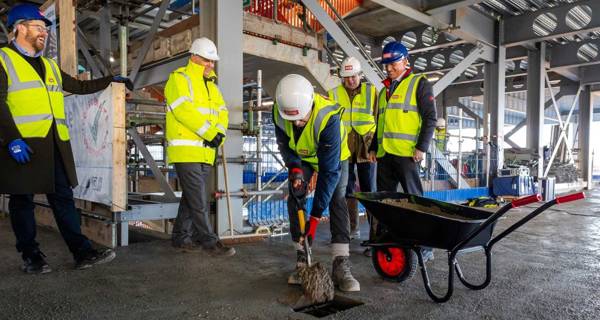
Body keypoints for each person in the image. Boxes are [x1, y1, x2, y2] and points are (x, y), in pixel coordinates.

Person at [0, 4, 133, 273]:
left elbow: (79, 86)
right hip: (22, 144)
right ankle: (32, 256)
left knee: (62, 198)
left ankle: (82, 252)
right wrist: (12, 139)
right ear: (19, 28)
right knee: (22, 200)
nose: (43, 33)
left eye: (44, 29)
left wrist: (110, 80)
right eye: (38, 27)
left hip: (54, 144)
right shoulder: (2, 59)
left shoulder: (49, 65)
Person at [273, 74, 360, 292]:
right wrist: (294, 167)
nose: (296, 123)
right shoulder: (280, 110)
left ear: (310, 103)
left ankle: (341, 264)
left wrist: (314, 218)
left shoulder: (328, 117)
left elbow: (329, 173)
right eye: (292, 119)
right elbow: (284, 144)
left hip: (335, 159)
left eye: (301, 119)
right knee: (295, 195)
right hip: (303, 157)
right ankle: (302, 258)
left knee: (337, 199)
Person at [164, 37, 235, 257]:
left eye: (213, 62)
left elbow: (223, 113)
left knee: (190, 197)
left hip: (206, 151)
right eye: (207, 60)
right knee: (199, 199)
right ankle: (209, 242)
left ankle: (180, 237)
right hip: (186, 151)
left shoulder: (213, 87)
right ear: (194, 57)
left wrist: (219, 135)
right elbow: (184, 111)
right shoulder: (178, 79)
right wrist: (210, 132)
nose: (211, 65)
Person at [368, 41, 437, 260]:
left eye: (393, 63)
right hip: (385, 155)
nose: (389, 68)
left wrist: (421, 147)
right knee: (386, 203)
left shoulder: (420, 84)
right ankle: (386, 244)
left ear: (405, 61)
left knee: (414, 202)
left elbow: (430, 118)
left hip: (408, 155)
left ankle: (424, 247)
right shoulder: (384, 90)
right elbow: (380, 123)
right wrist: (373, 147)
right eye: (386, 64)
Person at [327, 56, 377, 255]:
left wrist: (376, 147)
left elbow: (379, 120)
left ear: (360, 75)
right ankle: (349, 231)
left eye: (354, 76)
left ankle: (375, 238)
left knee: (370, 192)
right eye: (347, 77)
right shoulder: (333, 94)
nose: (350, 80)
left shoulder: (371, 92)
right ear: (341, 77)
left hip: (366, 149)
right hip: (343, 149)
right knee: (345, 191)